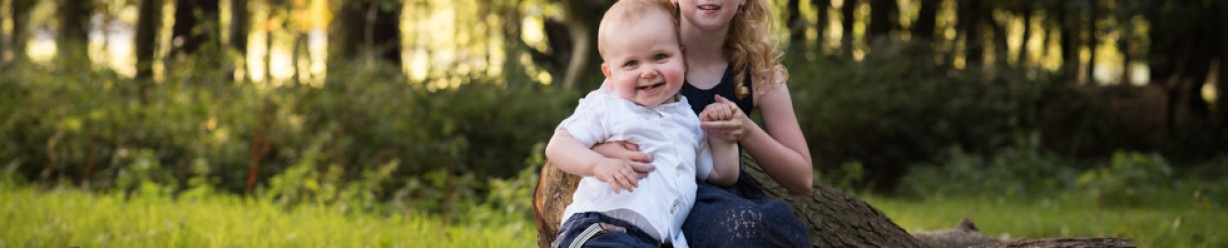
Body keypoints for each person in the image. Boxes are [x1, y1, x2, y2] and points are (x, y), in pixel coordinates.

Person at [591, 0, 815, 246]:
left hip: (723, 191)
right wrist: (607, 152)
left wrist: (746, 130)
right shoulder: (647, 59)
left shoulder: (759, 73)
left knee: (761, 226)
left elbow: (801, 179)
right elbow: (589, 130)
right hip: (658, 193)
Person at [543, 0, 746, 246]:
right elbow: (558, 146)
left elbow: (721, 175)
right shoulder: (608, 105)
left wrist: (722, 138)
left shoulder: (689, 120)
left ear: (682, 57)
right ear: (609, 74)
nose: (647, 71)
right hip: (601, 228)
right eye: (631, 63)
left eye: (660, 56)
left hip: (655, 240)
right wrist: (598, 164)